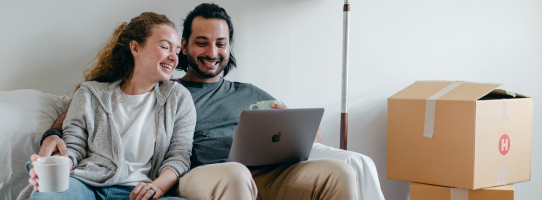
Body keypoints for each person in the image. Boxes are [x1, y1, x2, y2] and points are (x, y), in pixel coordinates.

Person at [38, 3, 358, 200]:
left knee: (341, 172)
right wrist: (52, 136)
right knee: (236, 174)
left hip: (266, 171)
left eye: (221, 43)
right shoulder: (168, 90)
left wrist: (292, 124)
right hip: (208, 174)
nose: (211, 52)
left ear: (230, 47)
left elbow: (310, 138)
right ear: (186, 47)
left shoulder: (245, 93)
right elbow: (83, 113)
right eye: (200, 43)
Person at [17, 12, 196, 200]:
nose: (173, 57)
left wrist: (157, 187)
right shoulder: (90, 94)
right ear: (135, 48)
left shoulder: (179, 98)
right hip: (89, 185)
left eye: (176, 51)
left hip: (144, 192)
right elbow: (73, 146)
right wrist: (55, 166)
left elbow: (179, 156)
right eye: (165, 47)